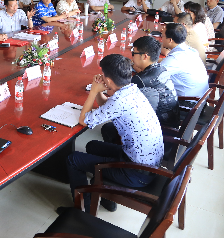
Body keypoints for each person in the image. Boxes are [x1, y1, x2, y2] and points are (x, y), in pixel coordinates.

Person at [62, 54, 162, 214]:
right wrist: (99, 91)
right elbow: (107, 107)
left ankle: (82, 209)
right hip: (146, 164)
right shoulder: (131, 90)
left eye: (103, 76)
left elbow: (84, 120)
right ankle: (106, 196)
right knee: (92, 146)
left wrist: (93, 91)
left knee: (73, 159)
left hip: (136, 173)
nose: (101, 78)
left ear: (108, 81)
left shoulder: (119, 101)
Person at [129, 36, 179, 127]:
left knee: (109, 127)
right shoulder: (161, 68)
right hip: (173, 119)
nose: (132, 56)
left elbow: (121, 102)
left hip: (160, 127)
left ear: (145, 56)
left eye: (134, 53)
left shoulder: (140, 80)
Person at [161, 23, 209, 99]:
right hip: (201, 99)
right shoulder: (189, 50)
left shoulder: (176, 58)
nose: (161, 39)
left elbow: (154, 75)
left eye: (162, 36)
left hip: (188, 102)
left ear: (170, 40)